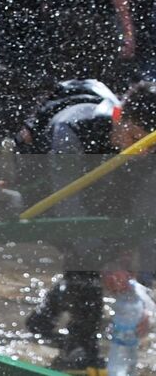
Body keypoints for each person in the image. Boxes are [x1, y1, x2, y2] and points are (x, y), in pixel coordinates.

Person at [24, 80, 156, 370]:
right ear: (120, 116)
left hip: (101, 184)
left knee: (113, 241)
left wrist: (144, 290)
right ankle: (79, 347)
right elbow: (70, 213)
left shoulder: (147, 149)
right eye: (134, 137)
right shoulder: (73, 129)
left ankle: (45, 315)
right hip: (48, 187)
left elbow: (147, 217)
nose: (141, 151)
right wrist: (105, 262)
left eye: (148, 144)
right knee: (85, 251)